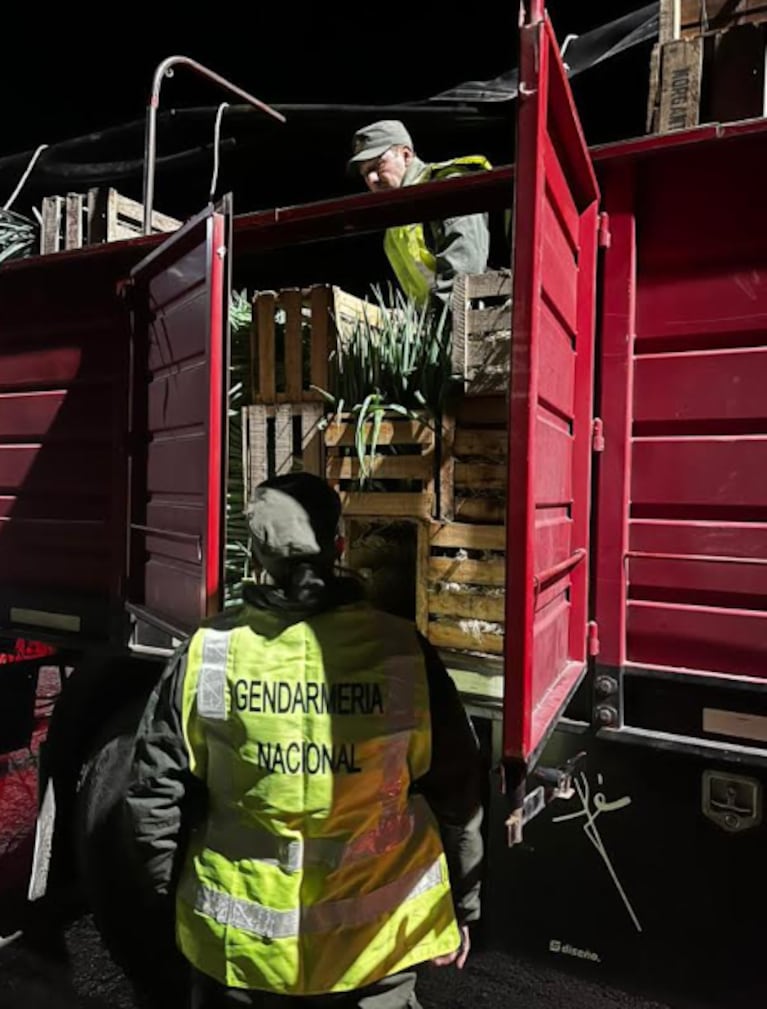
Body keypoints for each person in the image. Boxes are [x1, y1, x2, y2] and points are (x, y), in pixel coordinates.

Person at [122, 472, 484, 1008]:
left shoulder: (209, 653)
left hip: (243, 962)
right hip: (376, 957)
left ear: (256, 554)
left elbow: (152, 801)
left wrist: (165, 910)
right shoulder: (402, 652)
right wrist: (464, 903)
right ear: (339, 544)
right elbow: (460, 793)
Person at [348, 119, 492, 312]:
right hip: (437, 325)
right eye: (366, 173)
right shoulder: (396, 219)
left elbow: (464, 270)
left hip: (473, 321)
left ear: (406, 155)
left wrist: (440, 322)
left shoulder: (447, 187)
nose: (372, 179)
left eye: (378, 165)